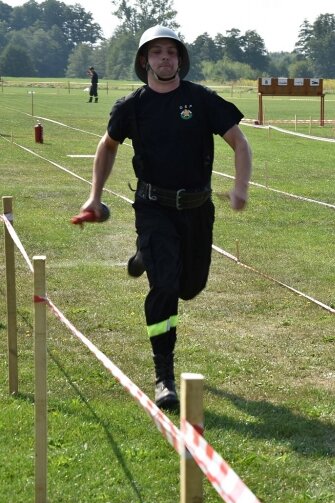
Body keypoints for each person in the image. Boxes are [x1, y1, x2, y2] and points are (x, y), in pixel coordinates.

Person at [80, 25, 252, 411]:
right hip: (153, 207)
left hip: (196, 210)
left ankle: (146, 255)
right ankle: (164, 375)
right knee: (165, 289)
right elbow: (107, 147)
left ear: (180, 59)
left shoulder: (202, 100)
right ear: (144, 61)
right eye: (156, 53)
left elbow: (240, 143)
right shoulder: (131, 107)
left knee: (189, 287)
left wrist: (240, 187)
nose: (164, 59)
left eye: (171, 52)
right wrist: (95, 196)